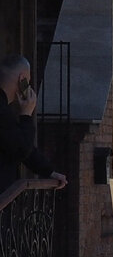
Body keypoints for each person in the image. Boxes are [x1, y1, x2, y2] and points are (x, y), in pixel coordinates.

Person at [0, 54, 67, 192]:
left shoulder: (5, 109)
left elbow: (16, 141)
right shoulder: (2, 110)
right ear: (22, 79)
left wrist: (49, 171)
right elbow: (21, 148)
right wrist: (26, 115)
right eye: (27, 82)